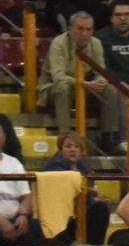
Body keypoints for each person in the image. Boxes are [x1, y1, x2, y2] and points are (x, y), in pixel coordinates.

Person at [41, 11, 120, 146]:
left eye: (88, 30)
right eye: (80, 29)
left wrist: (98, 82)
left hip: (85, 86)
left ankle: (107, 138)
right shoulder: (59, 43)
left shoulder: (96, 43)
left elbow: (101, 71)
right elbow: (58, 77)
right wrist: (83, 83)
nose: (84, 33)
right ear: (70, 29)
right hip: (54, 87)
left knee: (110, 89)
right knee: (63, 88)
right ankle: (65, 137)